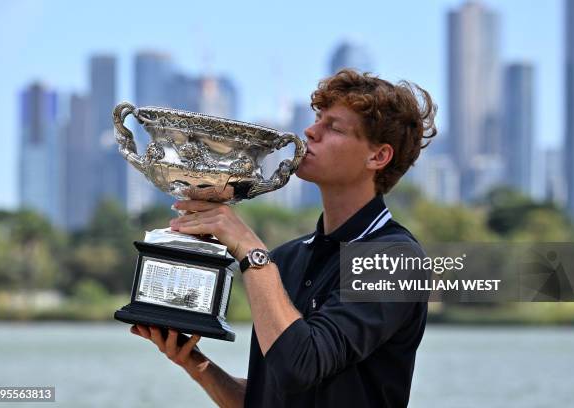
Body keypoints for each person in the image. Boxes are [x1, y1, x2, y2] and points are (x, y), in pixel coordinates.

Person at [130, 68, 437, 408]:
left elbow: (300, 366)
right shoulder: (287, 259)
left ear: (378, 156)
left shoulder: (393, 259)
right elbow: (268, 398)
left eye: (333, 126)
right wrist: (197, 365)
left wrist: (250, 249)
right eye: (317, 118)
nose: (310, 131)